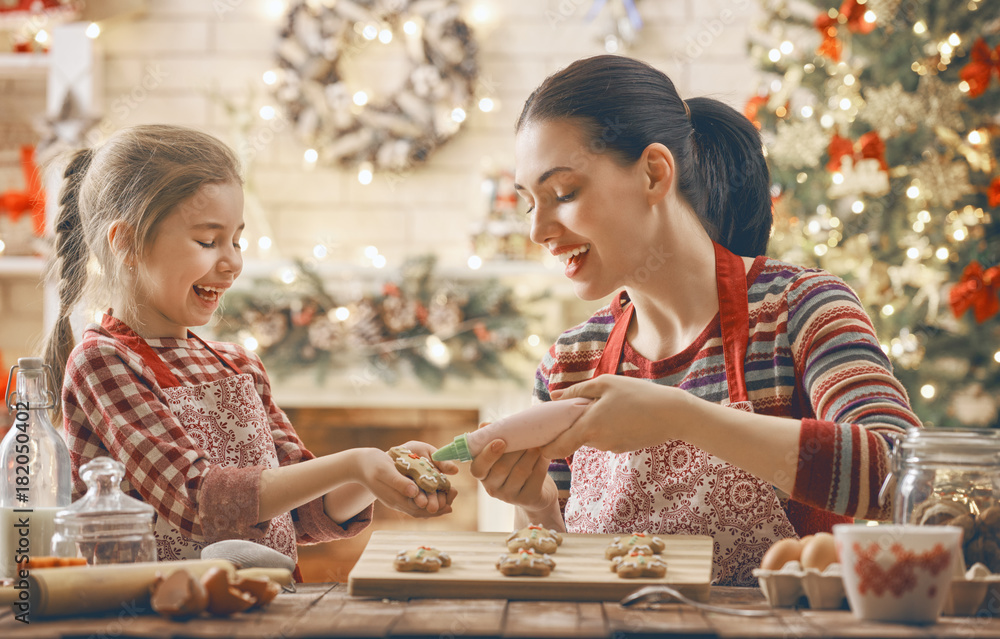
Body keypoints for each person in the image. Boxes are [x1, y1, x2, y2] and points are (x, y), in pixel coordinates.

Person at [470, 56, 922, 586]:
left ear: (654, 173)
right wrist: (540, 507)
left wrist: (684, 417)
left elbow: (906, 477)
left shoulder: (799, 309)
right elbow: (557, 582)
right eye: (529, 204)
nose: (539, 230)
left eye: (564, 193)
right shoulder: (570, 362)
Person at [42, 125, 458, 573]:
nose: (233, 261)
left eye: (236, 240)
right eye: (208, 241)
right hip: (157, 618)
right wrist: (355, 462)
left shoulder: (238, 365)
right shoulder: (104, 362)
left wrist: (378, 471)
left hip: (257, 610)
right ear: (125, 242)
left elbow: (303, 513)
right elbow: (199, 503)